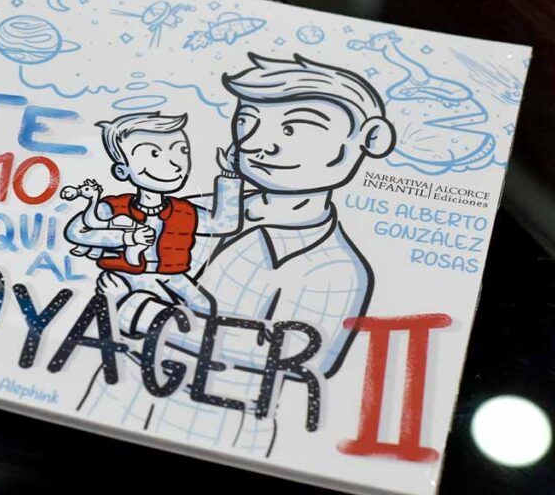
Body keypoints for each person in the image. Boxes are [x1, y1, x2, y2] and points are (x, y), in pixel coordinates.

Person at [79, 53, 397, 457]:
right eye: (248, 121)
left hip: (215, 435)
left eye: (293, 128)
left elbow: (300, 358)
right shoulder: (195, 209)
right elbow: (127, 259)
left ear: (369, 139)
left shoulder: (335, 267)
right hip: (109, 403)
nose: (256, 143)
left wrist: (144, 313)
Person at [63, 111, 240, 317]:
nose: (175, 164)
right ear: (122, 171)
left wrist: (230, 175)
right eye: (154, 154)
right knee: (128, 306)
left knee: (206, 309)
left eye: (181, 150)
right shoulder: (113, 207)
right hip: (124, 275)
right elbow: (76, 231)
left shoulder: (185, 212)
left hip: (172, 276)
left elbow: (222, 225)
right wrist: (126, 238)